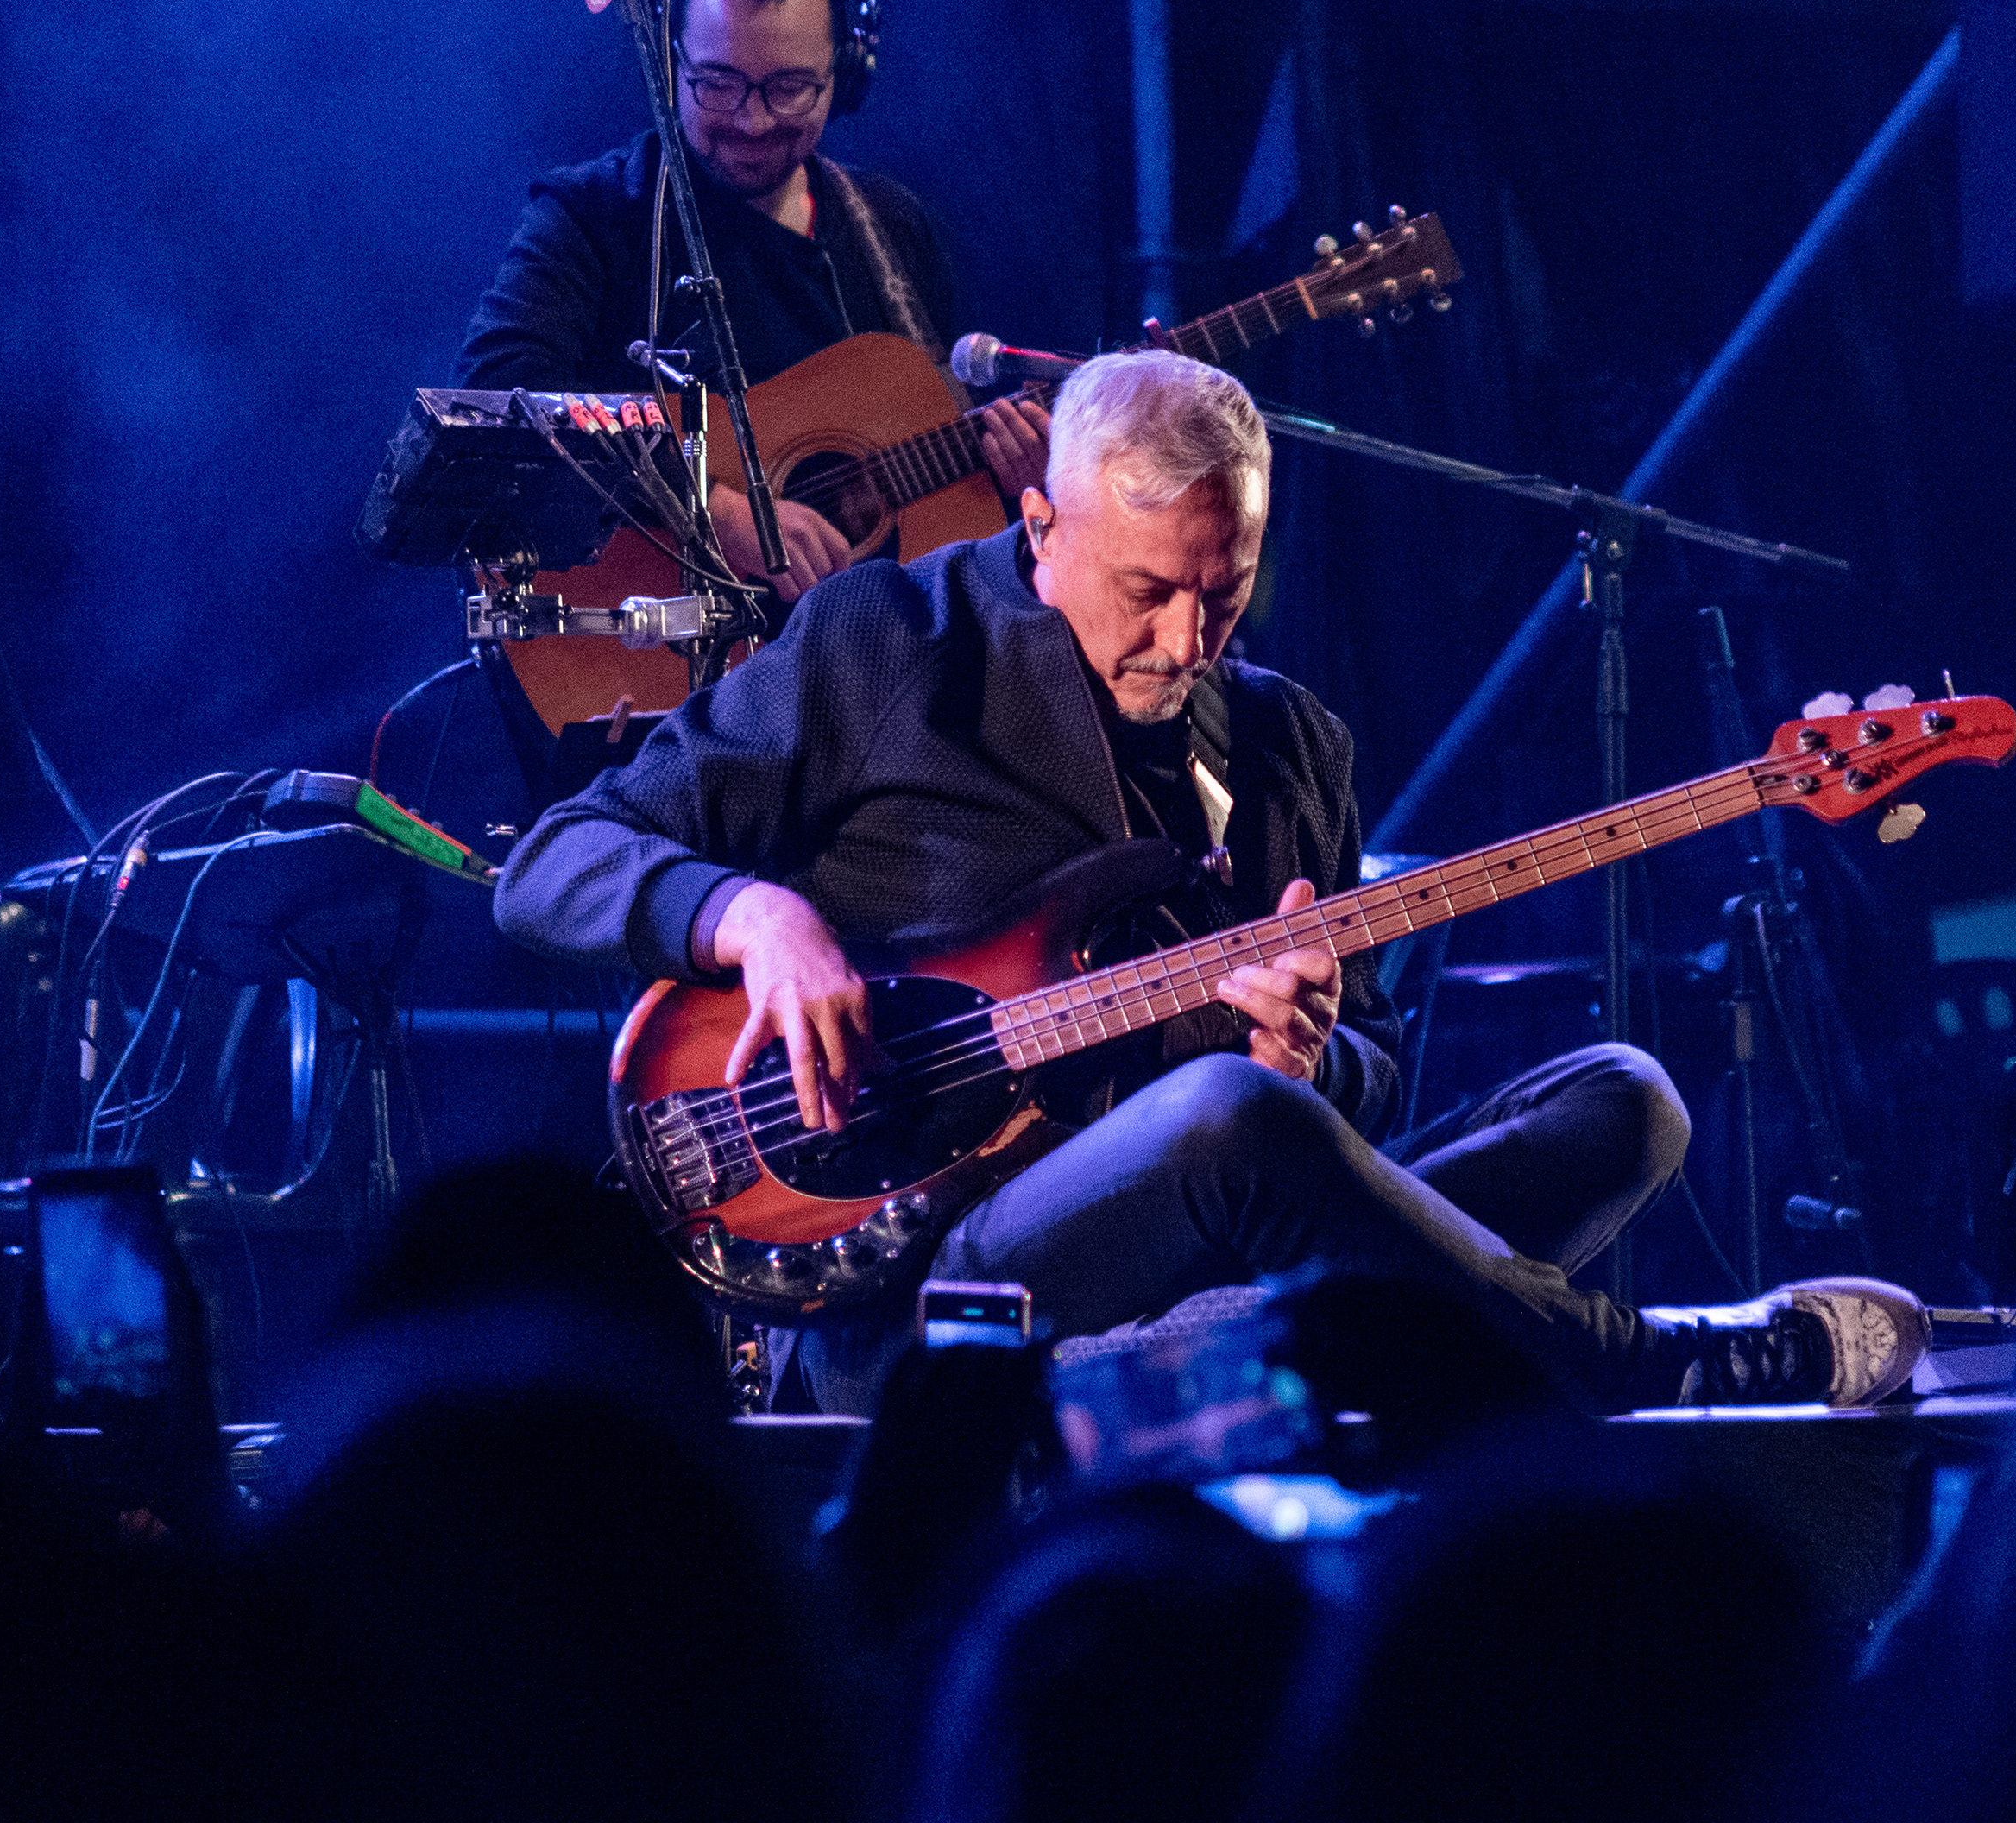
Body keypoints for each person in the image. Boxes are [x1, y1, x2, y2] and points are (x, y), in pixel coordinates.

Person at [490, 349, 1925, 1416]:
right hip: (937, 1278)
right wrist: (753, 914)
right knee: (1226, 1122)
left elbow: (1371, 1086)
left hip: (1212, 1230)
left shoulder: (1293, 741)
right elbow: (552, 865)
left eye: (1223, 594)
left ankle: (1243, 1342)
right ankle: (1654, 1363)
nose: (1185, 642)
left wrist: (1315, 1060)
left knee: (1626, 1100)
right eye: (1146, 594)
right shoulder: (882, 641)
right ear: (1041, 530)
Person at [457, 0, 1046, 601]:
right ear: (667, 67)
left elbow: (946, 512)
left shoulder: (898, 230)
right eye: (717, 83)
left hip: (871, 675)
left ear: (846, 74)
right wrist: (715, 510)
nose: (752, 119)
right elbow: (493, 402)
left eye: (789, 88)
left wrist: (1021, 483)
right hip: (652, 663)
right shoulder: (592, 216)